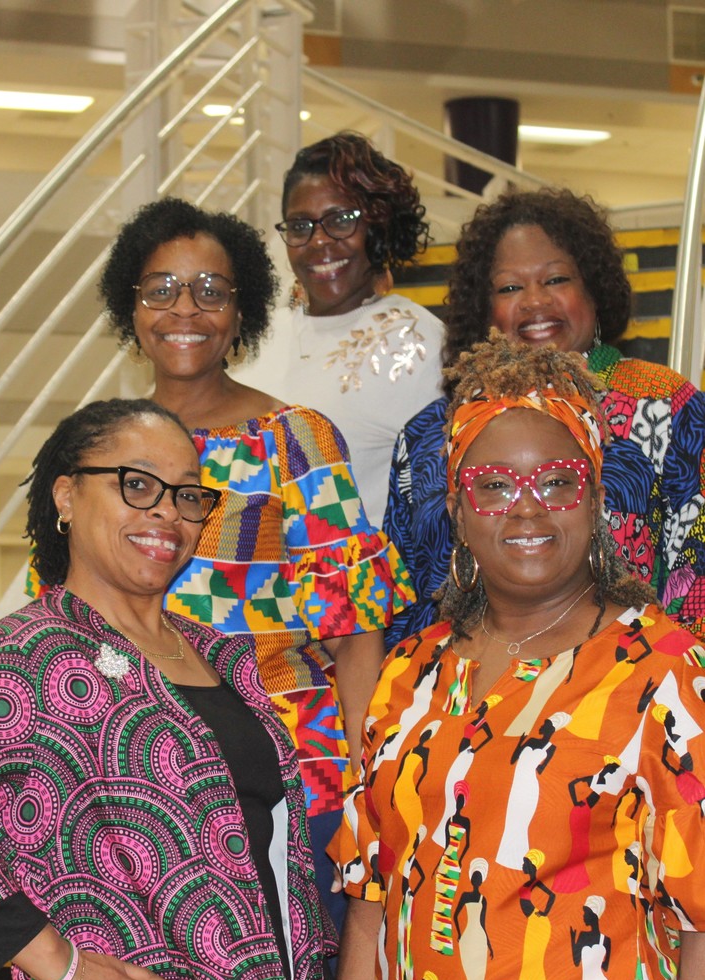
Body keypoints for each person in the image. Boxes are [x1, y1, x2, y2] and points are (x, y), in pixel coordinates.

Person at [0, 398, 330, 980]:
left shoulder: (220, 653)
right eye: (137, 485)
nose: (167, 512)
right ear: (66, 496)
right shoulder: (31, 650)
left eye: (187, 495)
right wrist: (56, 965)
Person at [330, 341, 705, 980]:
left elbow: (701, 925)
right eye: (495, 486)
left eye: (556, 481)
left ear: (594, 498)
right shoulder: (410, 673)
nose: (526, 509)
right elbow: (369, 906)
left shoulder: (666, 670)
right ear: (458, 509)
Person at [98, 197, 414, 933]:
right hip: (144, 782)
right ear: (132, 307)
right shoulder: (101, 452)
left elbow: (356, 625)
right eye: (162, 288)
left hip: (290, 772)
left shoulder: (293, 439)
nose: (186, 309)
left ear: (243, 312)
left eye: (211, 290)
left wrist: (364, 784)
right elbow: (78, 623)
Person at [384, 187, 705, 646]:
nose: (535, 301)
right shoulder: (426, 435)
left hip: (631, 695)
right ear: (483, 309)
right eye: (510, 287)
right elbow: (400, 601)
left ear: (594, 289)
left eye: (556, 280)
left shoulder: (665, 406)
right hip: (463, 694)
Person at [231, 131, 444, 523]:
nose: (318, 242)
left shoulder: (415, 340)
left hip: (353, 580)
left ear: (378, 227)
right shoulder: (258, 332)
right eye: (300, 226)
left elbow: (435, 508)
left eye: (340, 221)